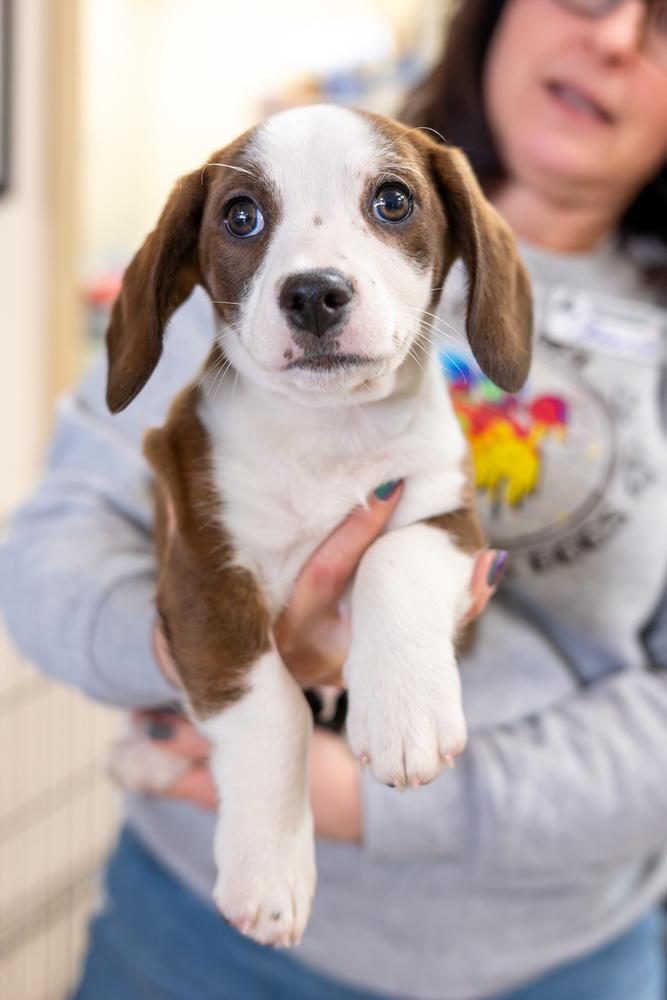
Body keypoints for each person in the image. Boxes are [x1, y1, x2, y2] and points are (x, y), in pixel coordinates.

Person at [2, 0, 667, 997]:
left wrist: (367, 796)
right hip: (194, 941)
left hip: (568, 959)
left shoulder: (501, 267)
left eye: (388, 204)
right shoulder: (232, 311)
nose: (612, 39)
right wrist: (189, 655)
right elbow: (53, 552)